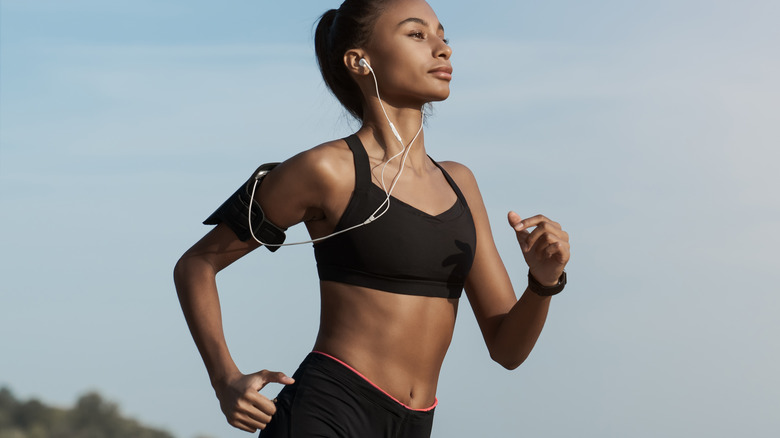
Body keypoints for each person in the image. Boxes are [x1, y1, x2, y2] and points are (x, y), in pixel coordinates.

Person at [173, 0, 571, 436]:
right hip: (329, 412)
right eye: (417, 34)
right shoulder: (326, 170)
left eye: (443, 36)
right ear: (359, 61)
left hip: (416, 424)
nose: (442, 49)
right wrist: (224, 378)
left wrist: (543, 281)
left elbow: (507, 349)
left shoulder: (461, 183)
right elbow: (197, 263)